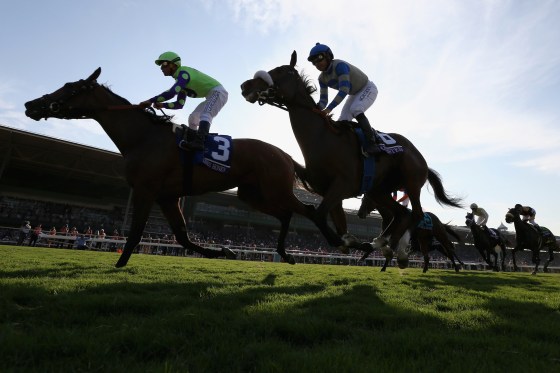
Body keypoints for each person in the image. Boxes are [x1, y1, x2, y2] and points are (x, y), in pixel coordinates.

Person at [139, 51, 228, 151]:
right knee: (193, 118)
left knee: (206, 114)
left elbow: (172, 92)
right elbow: (179, 104)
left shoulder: (183, 73)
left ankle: (199, 142)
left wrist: (150, 100)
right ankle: (191, 142)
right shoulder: (181, 82)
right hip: (211, 95)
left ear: (173, 64)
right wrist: (162, 105)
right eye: (161, 66)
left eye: (164, 64)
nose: (161, 68)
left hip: (218, 92)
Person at [307, 43, 381, 156]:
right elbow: (323, 100)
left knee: (356, 109)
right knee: (342, 121)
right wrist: (315, 108)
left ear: (328, 56)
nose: (317, 63)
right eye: (314, 62)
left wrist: (328, 110)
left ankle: (372, 143)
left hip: (367, 87)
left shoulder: (339, 65)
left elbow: (344, 90)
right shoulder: (321, 78)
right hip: (354, 94)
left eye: (319, 58)